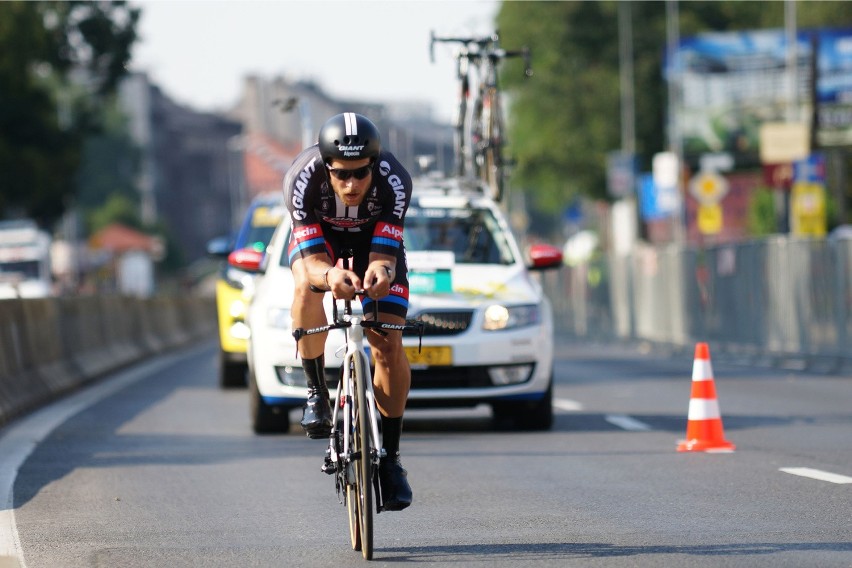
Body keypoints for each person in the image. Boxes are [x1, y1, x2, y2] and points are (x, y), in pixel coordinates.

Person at [283, 112, 414, 511]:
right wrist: (332, 276)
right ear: (326, 167)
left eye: (360, 174)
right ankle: (316, 392)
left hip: (372, 243)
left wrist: (379, 272)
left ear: (374, 164)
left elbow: (384, 257)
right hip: (323, 250)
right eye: (341, 175)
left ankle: (390, 459)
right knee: (307, 287)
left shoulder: (396, 180)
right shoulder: (301, 179)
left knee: (387, 343)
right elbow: (312, 263)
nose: (351, 184)